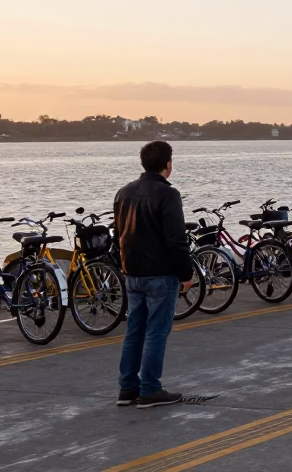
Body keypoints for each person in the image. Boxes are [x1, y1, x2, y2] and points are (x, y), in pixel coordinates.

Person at [114, 141, 193, 408]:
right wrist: (186, 274)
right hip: (160, 273)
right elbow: (176, 239)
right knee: (157, 332)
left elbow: (119, 235)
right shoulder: (168, 194)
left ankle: (127, 388)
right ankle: (150, 389)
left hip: (132, 272)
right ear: (168, 164)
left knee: (134, 330)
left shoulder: (123, 193)